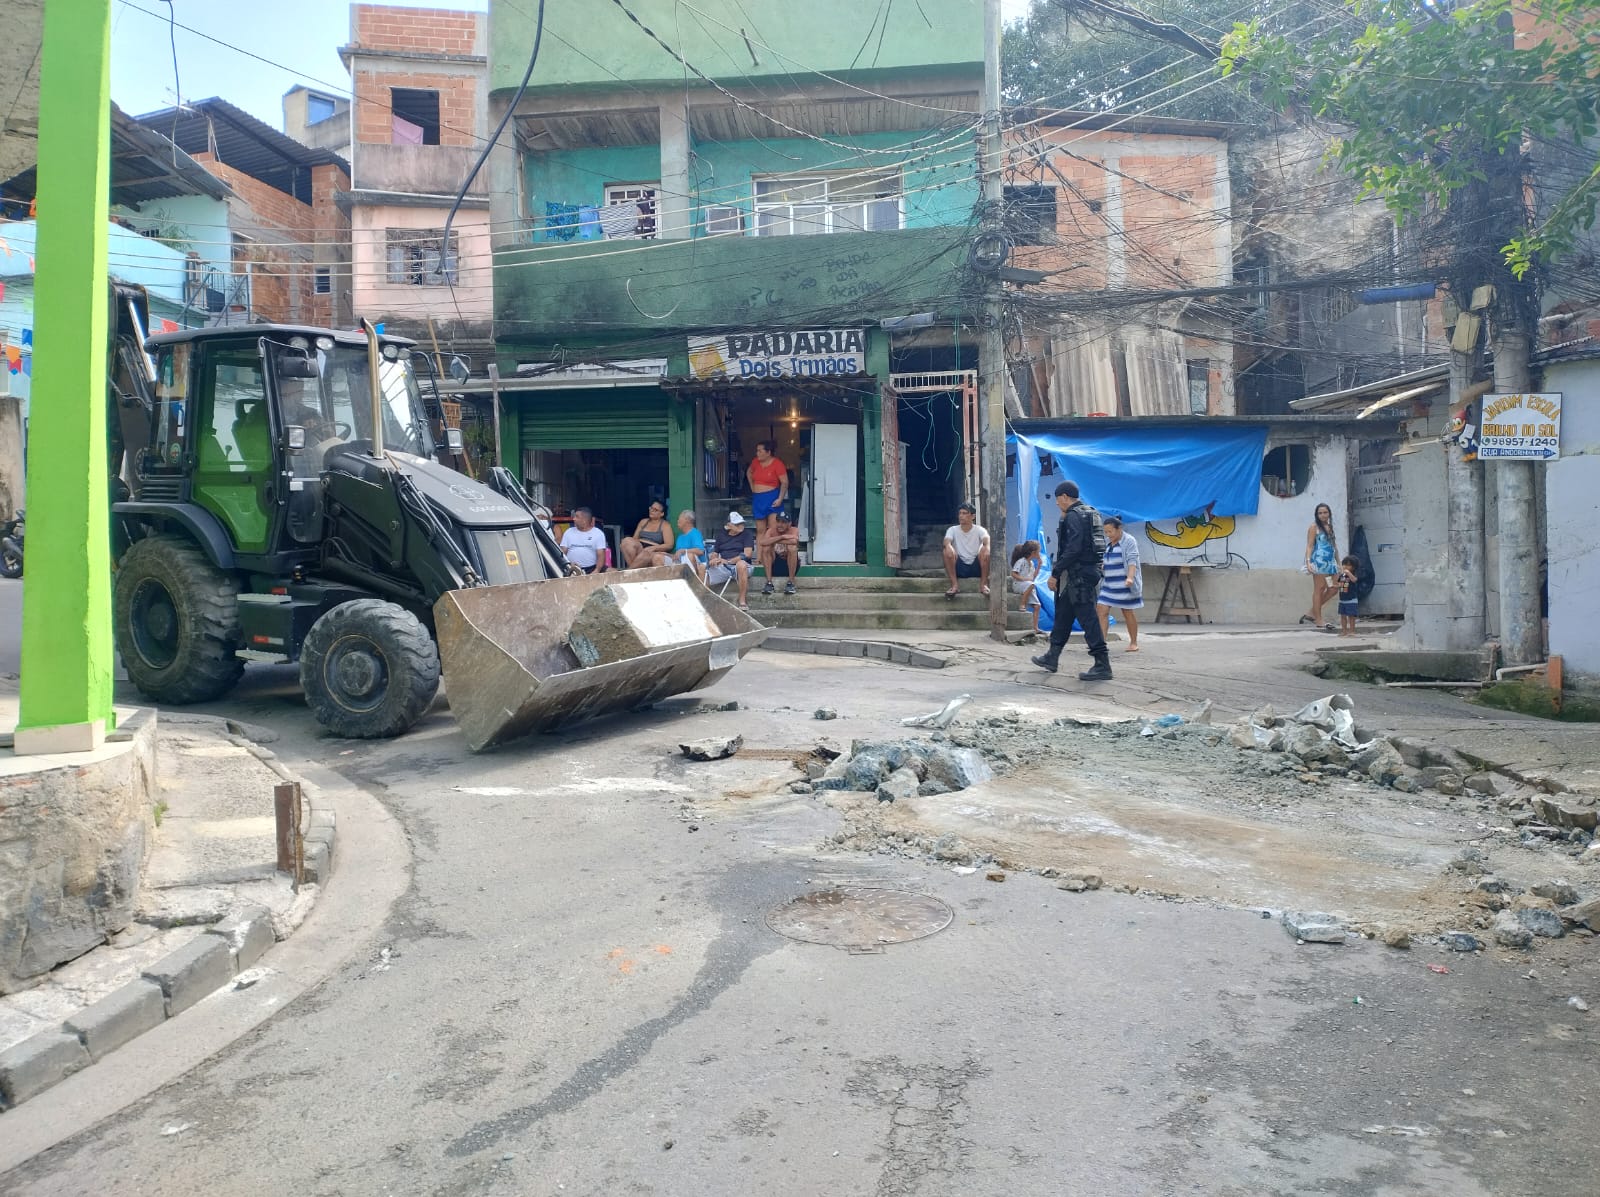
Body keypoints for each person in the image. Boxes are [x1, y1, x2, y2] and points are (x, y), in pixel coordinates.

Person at [1031, 480, 1112, 680]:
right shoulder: (1091, 512)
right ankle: (1052, 656)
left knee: (1089, 620)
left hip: (1080, 576)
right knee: (1063, 615)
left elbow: (1073, 548)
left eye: (1058, 500)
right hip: (1087, 573)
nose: (1058, 504)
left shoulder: (1074, 516)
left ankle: (1102, 665)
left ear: (1065, 497)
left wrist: (1056, 572)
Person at [1096, 516, 1144, 653]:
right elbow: (1108, 557)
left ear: (1119, 529)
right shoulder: (1109, 542)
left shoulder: (1129, 541)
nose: (1108, 535)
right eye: (1106, 532)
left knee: (1127, 611)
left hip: (1124, 584)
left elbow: (1132, 561)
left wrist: (1130, 578)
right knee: (1101, 609)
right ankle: (1101, 643)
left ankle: (1134, 642)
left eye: (1110, 531)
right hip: (1109, 583)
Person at [706, 512, 755, 608]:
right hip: (724, 566)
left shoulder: (747, 534)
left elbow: (747, 554)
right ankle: (704, 599)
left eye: (741, 523)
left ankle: (742, 601)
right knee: (702, 567)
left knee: (741, 564)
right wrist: (714, 559)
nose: (741, 526)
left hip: (742, 566)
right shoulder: (721, 535)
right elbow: (715, 552)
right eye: (737, 524)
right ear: (729, 525)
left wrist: (728, 561)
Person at [942, 502, 991, 598]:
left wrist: (987, 547)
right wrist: (948, 546)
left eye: (965, 513)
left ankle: (983, 585)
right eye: (960, 513)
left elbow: (986, 540)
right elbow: (946, 541)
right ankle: (954, 585)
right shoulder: (952, 529)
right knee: (946, 550)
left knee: (986, 550)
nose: (961, 516)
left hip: (976, 567)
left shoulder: (979, 530)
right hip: (959, 567)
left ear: (972, 516)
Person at [1302, 502, 1339, 628]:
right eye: (1320, 513)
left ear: (1329, 513)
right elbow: (1310, 545)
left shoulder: (1330, 526)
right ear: (1317, 515)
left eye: (1325, 512)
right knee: (1320, 588)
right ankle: (1318, 619)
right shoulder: (1314, 527)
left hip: (1331, 562)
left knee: (1334, 588)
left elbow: (1334, 546)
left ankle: (1312, 612)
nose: (1323, 515)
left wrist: (1339, 563)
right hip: (1320, 561)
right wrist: (1308, 561)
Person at [745, 441, 789, 537]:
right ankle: (760, 553)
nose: (757, 453)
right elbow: (749, 472)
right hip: (758, 498)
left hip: (772, 497)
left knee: (772, 530)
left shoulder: (777, 464)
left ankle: (771, 552)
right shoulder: (755, 462)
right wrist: (753, 487)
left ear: (768, 452)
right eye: (757, 451)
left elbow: (784, 482)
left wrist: (780, 499)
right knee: (760, 530)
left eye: (760, 451)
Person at [757, 509, 802, 596]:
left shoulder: (794, 530)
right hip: (775, 565)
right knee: (766, 548)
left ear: (789, 523)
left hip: (790, 566)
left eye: (783, 522)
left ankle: (791, 583)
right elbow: (762, 542)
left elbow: (794, 541)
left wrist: (773, 540)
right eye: (778, 521)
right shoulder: (771, 530)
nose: (780, 525)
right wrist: (782, 537)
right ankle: (769, 583)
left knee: (792, 548)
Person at [619, 499, 674, 568]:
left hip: (652, 551)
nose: (652, 511)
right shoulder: (643, 522)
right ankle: (633, 570)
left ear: (662, 513)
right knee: (626, 541)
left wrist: (653, 548)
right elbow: (634, 539)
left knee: (645, 554)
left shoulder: (665, 525)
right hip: (640, 548)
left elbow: (669, 545)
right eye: (651, 508)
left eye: (655, 510)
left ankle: (629, 571)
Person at [559, 507, 608, 574]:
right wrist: (568, 565)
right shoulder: (569, 532)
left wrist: (597, 570)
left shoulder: (598, 533)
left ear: (584, 520)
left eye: (577, 517)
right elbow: (563, 552)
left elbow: (601, 555)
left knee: (612, 571)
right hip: (572, 568)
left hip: (592, 568)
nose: (574, 519)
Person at [656, 509, 704, 576]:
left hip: (695, 565)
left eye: (679, 519)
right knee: (658, 557)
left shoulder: (695, 533)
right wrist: (666, 554)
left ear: (687, 520)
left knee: (689, 555)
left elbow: (700, 551)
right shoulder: (680, 536)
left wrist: (684, 551)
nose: (677, 521)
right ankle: (664, 582)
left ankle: (692, 582)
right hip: (679, 563)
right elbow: (677, 555)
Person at [1010, 540, 1043, 631]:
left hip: (1028, 586)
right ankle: (1022, 604)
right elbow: (1013, 573)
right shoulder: (1021, 561)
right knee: (1031, 584)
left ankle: (1035, 628)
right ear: (1033, 553)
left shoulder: (1031, 563)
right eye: (1038, 552)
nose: (1039, 554)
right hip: (1018, 584)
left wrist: (1039, 565)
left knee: (1037, 606)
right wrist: (1023, 579)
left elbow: (1033, 577)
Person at [1335, 554, 1361, 637]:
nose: (1345, 566)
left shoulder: (1354, 574)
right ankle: (1344, 631)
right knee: (1343, 616)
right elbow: (1340, 585)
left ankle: (1352, 631)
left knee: (1351, 616)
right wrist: (1334, 586)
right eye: (1344, 564)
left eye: (1348, 565)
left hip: (1351, 599)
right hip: (1342, 599)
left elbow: (1354, 580)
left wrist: (1349, 573)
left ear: (1354, 567)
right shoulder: (1342, 575)